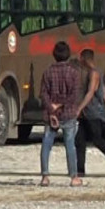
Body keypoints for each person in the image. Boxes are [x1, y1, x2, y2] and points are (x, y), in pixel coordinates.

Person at [73, 49, 105, 178]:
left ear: (84, 59)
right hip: (87, 113)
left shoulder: (94, 73)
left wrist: (79, 108)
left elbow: (91, 93)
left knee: (97, 140)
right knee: (79, 140)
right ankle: (80, 170)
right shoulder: (98, 72)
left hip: (93, 113)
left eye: (81, 59)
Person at [39, 41, 83, 187]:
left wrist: (52, 108)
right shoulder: (74, 73)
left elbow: (43, 94)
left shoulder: (47, 72)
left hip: (51, 116)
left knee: (46, 144)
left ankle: (45, 176)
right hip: (68, 114)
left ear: (54, 55)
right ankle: (73, 177)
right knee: (70, 145)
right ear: (68, 54)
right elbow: (74, 96)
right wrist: (61, 105)